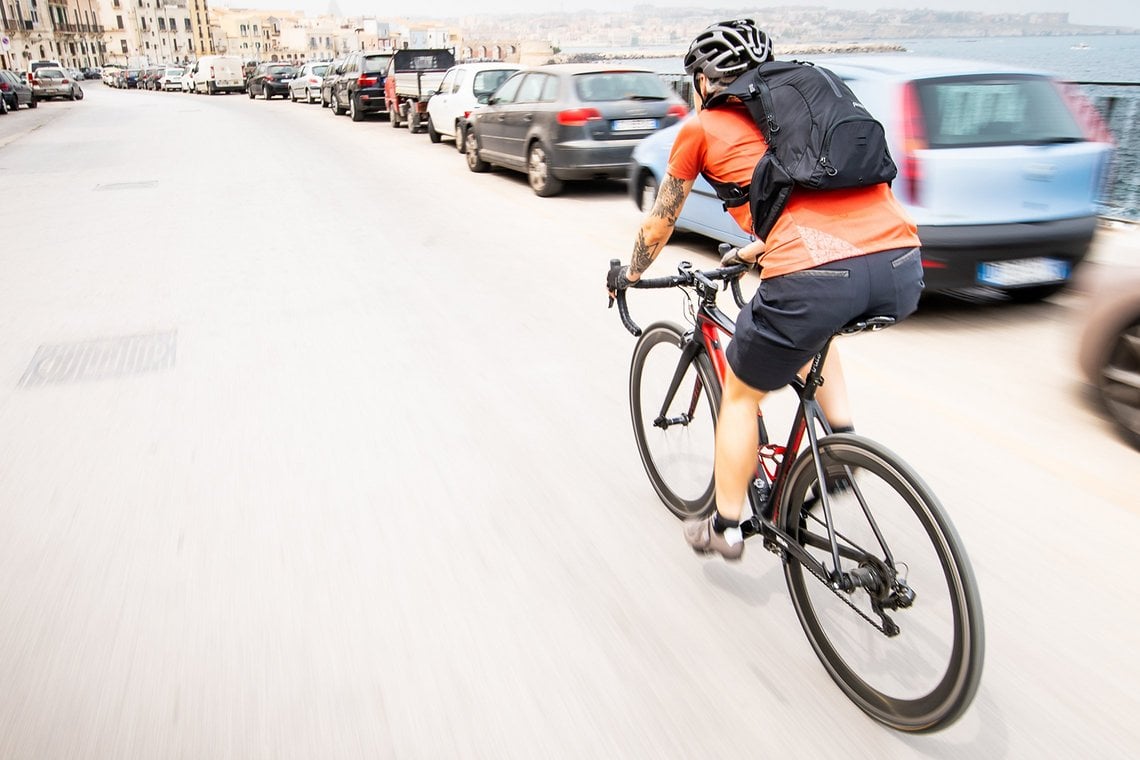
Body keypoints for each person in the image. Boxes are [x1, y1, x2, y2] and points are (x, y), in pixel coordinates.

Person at [610, 18, 924, 561]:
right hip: (901, 264)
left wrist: (630, 275)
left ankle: (727, 525)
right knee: (816, 338)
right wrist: (758, 250)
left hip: (816, 278)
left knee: (740, 391)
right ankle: (841, 446)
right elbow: (818, 197)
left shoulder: (701, 128)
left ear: (705, 81)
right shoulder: (805, 110)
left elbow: (660, 223)